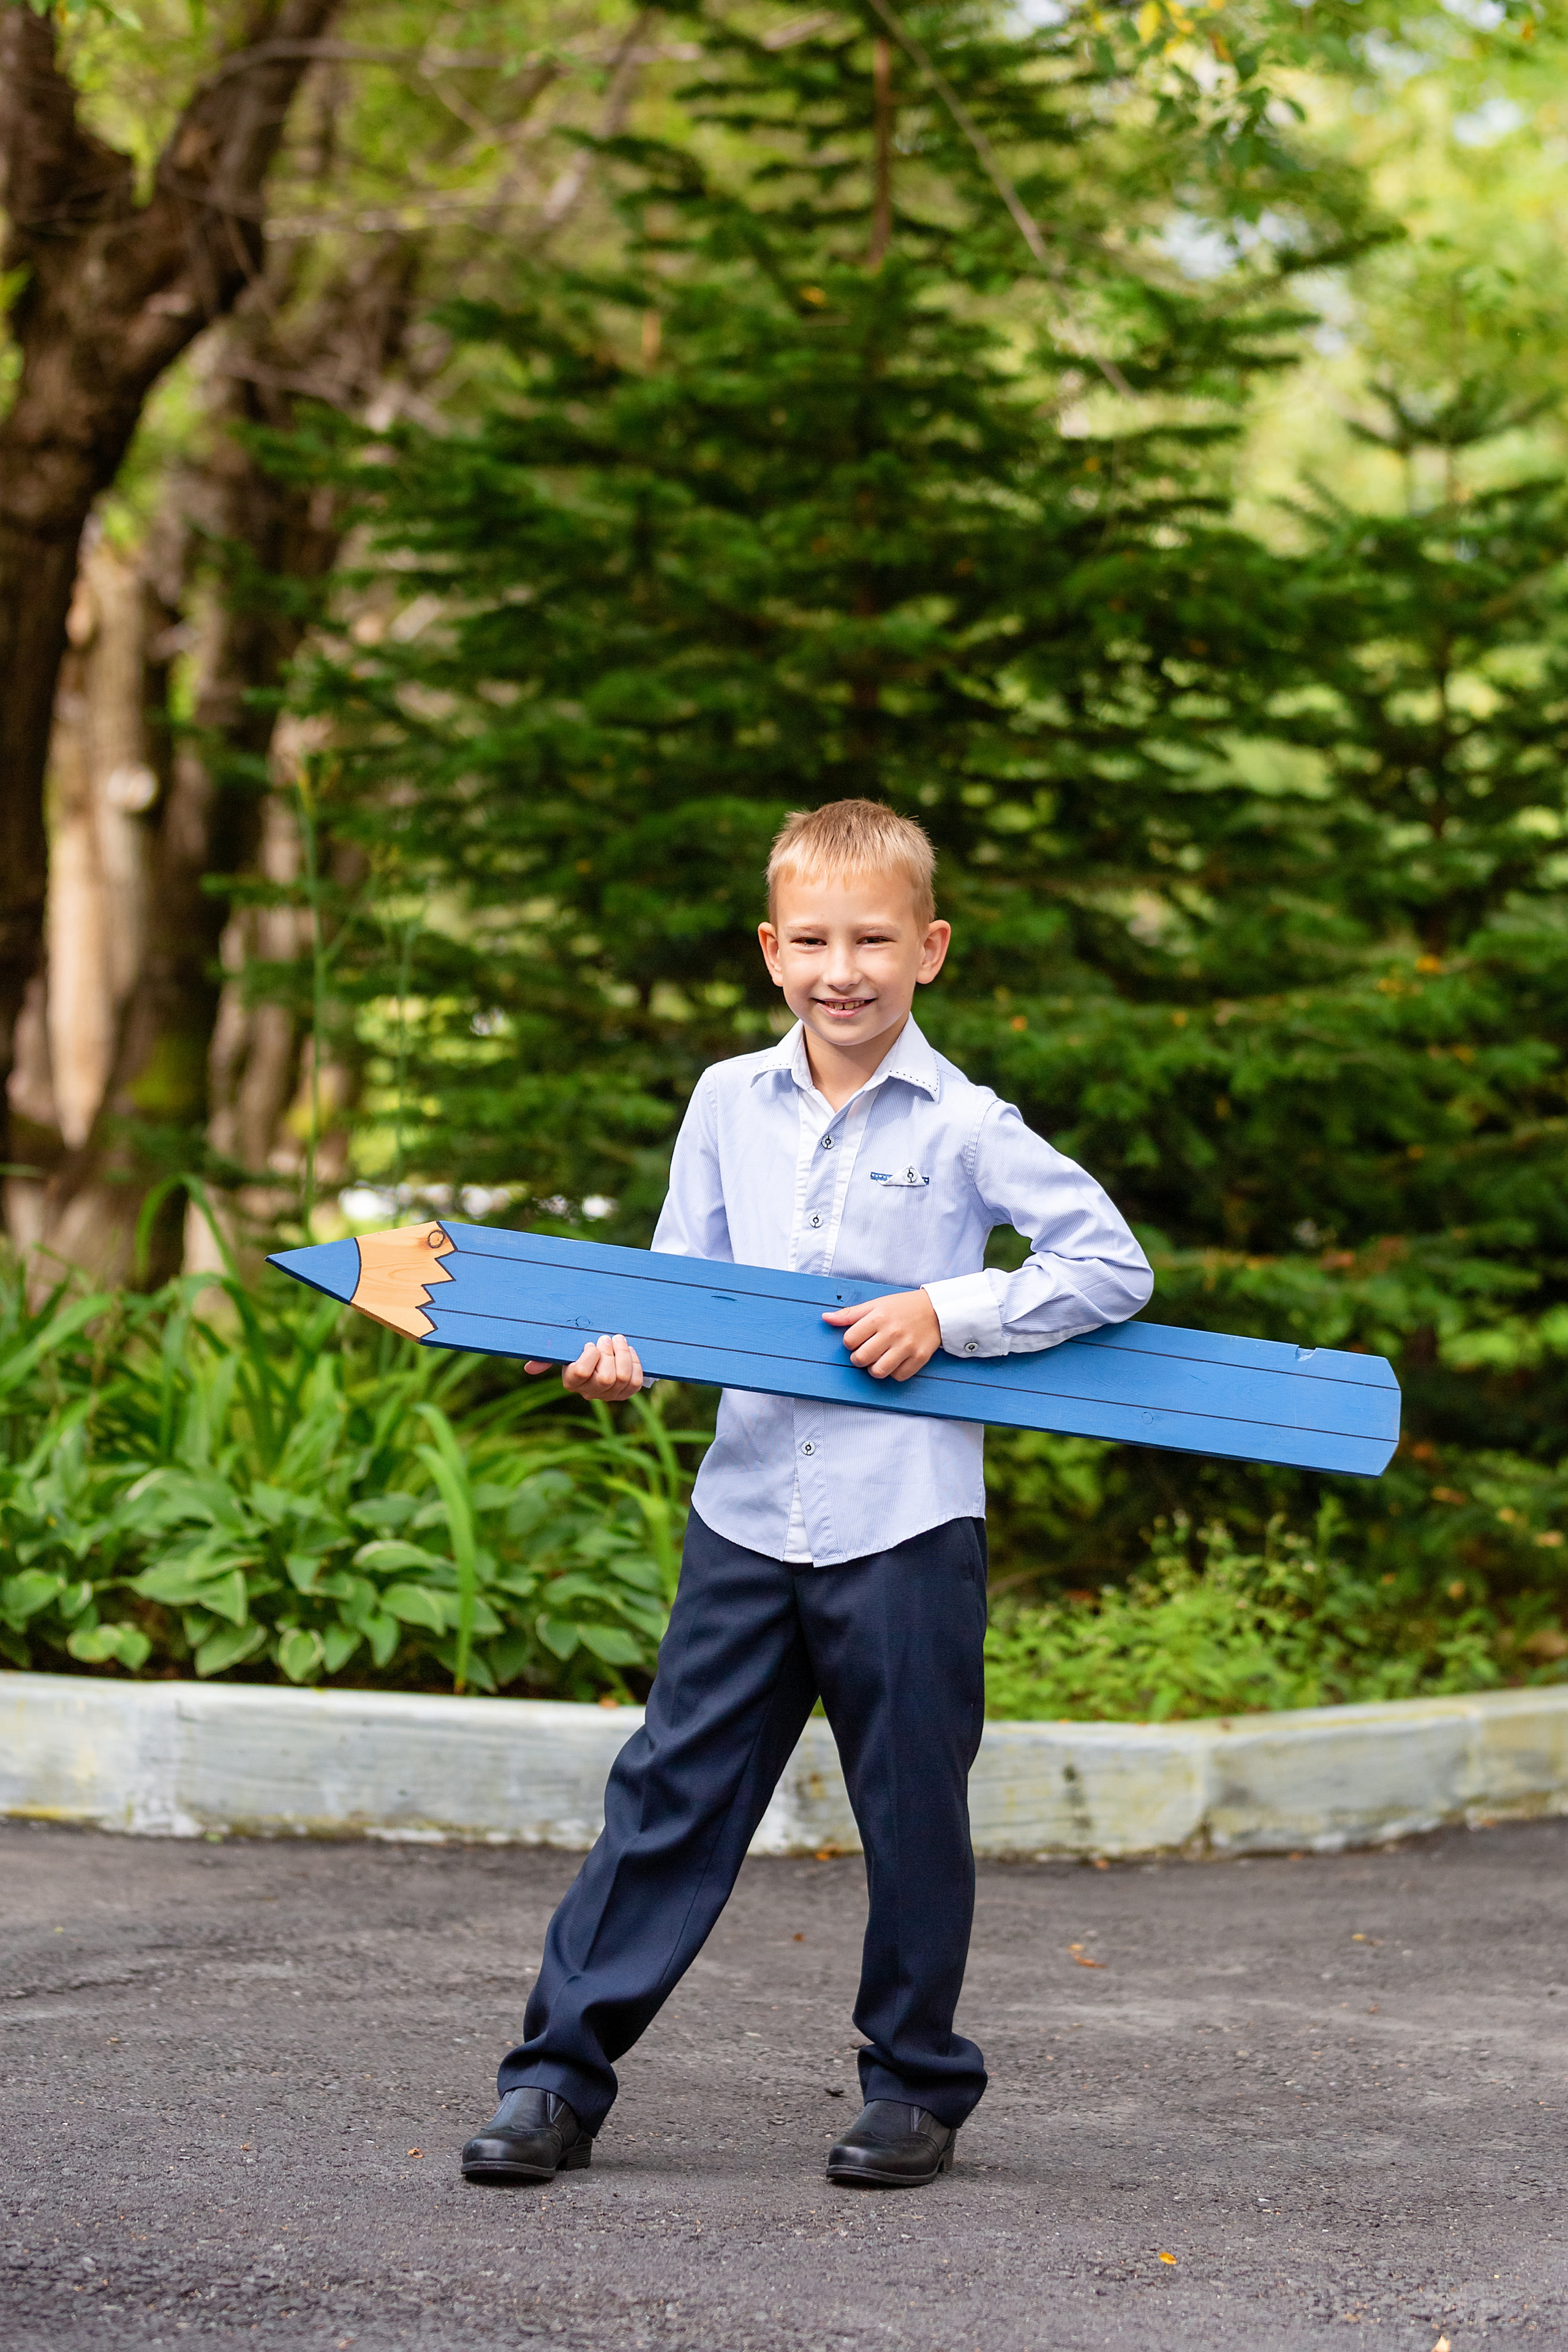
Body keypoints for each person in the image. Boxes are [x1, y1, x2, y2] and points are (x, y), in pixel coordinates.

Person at [460, 799, 1152, 2192]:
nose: (845, 969)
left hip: (904, 1526)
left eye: (876, 941)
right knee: (665, 1799)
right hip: (746, 1515)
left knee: (911, 1815)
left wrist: (948, 1314)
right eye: (816, 941)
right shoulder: (725, 1101)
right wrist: (619, 1361)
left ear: (930, 949)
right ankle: (553, 2080)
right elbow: (676, 1284)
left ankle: (914, 2090)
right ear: (772, 952)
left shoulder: (966, 1125)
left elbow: (1108, 1266)